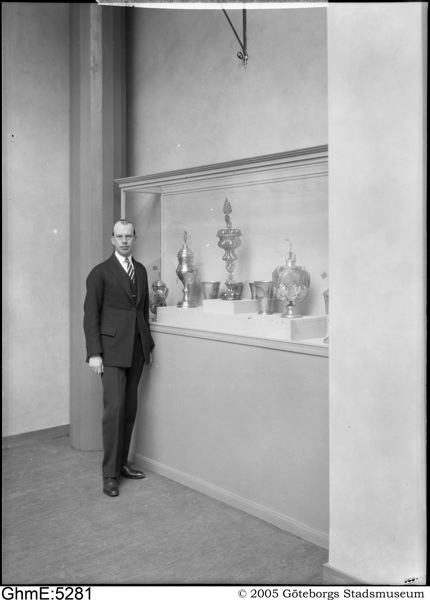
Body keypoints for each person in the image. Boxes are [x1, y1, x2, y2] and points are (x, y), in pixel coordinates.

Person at [83, 219, 154, 497]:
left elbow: (142, 311)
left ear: (135, 238)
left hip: (136, 349)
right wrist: (94, 353)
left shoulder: (141, 270)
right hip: (111, 352)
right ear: (112, 239)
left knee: (129, 409)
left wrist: (147, 346)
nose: (124, 241)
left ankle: (122, 464)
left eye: (128, 236)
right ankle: (109, 475)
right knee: (114, 410)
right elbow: (90, 316)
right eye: (119, 236)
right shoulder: (100, 272)